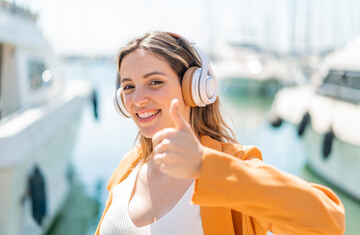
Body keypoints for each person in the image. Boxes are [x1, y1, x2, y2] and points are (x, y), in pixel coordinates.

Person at [95, 31, 345, 235]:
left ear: (195, 88)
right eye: (128, 86)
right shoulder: (128, 168)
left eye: (155, 82)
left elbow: (328, 223)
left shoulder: (232, 166)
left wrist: (205, 167)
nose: (138, 99)